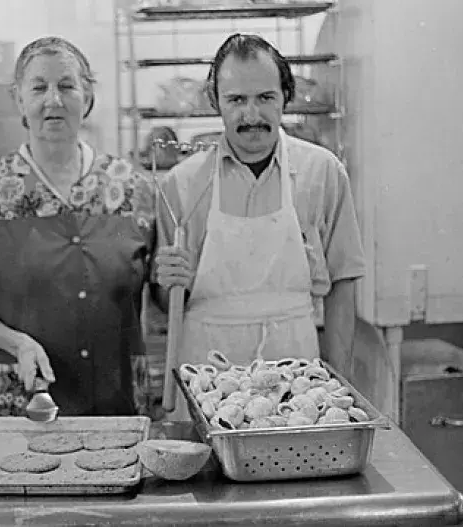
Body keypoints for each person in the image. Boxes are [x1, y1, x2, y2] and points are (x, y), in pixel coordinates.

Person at [0, 36, 156, 417]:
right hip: (13, 403)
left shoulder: (133, 190)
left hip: (113, 402)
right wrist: (14, 342)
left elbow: (160, 291)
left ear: (87, 97)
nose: (53, 100)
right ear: (19, 100)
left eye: (67, 86)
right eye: (39, 88)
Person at [152, 34, 366, 420]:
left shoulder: (322, 173)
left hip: (297, 377)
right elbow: (168, 304)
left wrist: (338, 387)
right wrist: (165, 284)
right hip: (207, 376)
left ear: (286, 96)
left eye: (265, 97)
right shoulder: (180, 185)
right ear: (215, 101)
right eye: (236, 100)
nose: (251, 115)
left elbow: (343, 283)